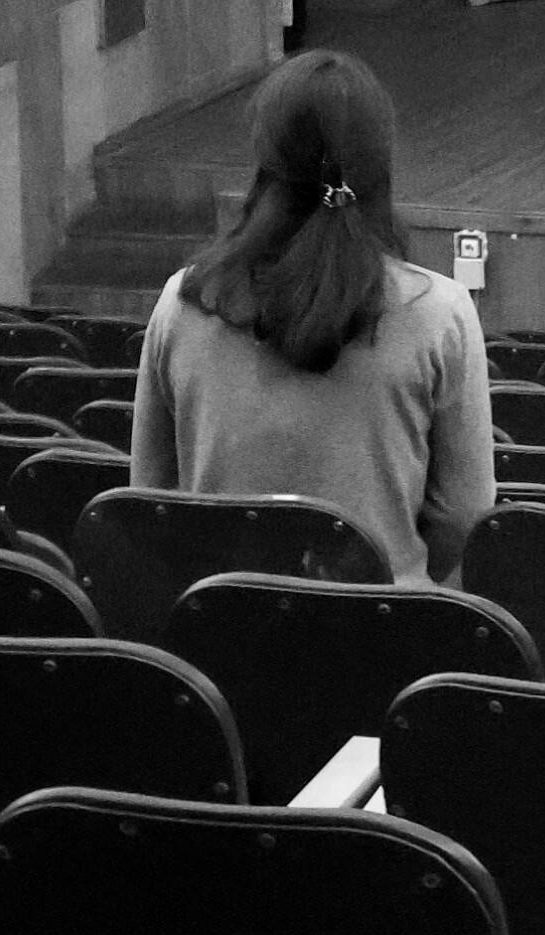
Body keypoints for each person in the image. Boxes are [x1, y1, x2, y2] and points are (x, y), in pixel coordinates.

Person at [131, 47, 494, 587]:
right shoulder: (442, 315)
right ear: (379, 161)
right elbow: (463, 520)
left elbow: (150, 501)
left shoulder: (181, 304)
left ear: (266, 159)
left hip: (219, 625)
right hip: (388, 628)